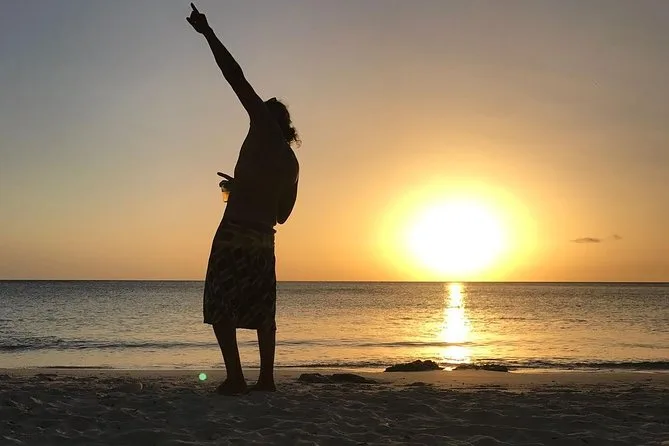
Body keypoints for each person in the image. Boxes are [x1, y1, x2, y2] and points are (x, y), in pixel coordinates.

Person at [187, 3, 300, 395]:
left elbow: (235, 76)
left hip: (234, 233)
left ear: (268, 119)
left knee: (222, 303)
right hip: (263, 241)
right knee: (262, 309)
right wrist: (248, 187)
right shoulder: (292, 164)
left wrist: (208, 33)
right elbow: (282, 214)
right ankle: (266, 378)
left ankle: (236, 377)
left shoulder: (261, 126)